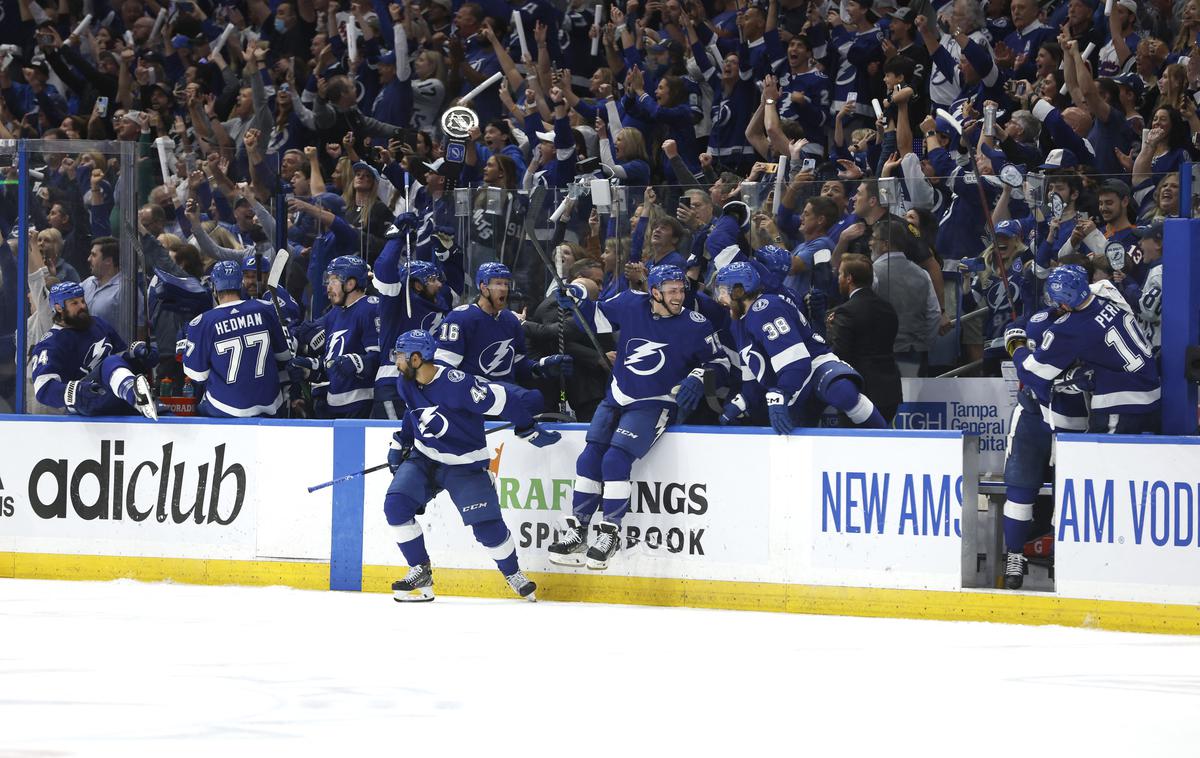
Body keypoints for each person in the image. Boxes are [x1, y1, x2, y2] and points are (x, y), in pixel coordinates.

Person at [547, 264, 730, 570]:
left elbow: (722, 363)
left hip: (655, 402)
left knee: (615, 461)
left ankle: (610, 533)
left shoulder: (696, 324)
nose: (678, 296)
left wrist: (699, 376)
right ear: (654, 292)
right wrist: (575, 298)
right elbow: (597, 315)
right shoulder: (632, 303)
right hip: (617, 396)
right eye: (671, 290)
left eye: (681, 289)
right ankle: (577, 531)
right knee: (589, 459)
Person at [385, 329, 562, 602]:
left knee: (488, 528)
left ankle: (513, 573)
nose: (396, 361)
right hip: (424, 459)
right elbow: (414, 413)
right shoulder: (404, 382)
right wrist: (401, 440)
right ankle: (420, 570)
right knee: (396, 506)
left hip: (464, 466)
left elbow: (506, 400)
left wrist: (527, 427)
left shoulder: (458, 386)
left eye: (400, 356)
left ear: (417, 358)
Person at [713, 262, 887, 432]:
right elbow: (752, 372)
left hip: (812, 366)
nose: (720, 299)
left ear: (738, 291)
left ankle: (887, 441)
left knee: (842, 391)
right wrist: (743, 400)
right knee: (791, 434)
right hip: (788, 383)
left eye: (722, 292)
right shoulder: (737, 323)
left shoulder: (765, 308)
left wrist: (781, 393)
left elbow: (797, 362)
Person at [1007, 263, 1161, 437]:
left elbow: (1030, 373)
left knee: (1102, 462)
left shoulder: (1069, 328)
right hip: (1152, 390)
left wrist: (1015, 344)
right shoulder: (1107, 295)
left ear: (1064, 302)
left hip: (1121, 403)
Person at [999, 301, 1090, 589]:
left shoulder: (1092, 322)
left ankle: (1063, 554)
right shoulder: (1039, 318)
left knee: (1069, 494)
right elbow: (1011, 333)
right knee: (1019, 489)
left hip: (1072, 419)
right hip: (1032, 414)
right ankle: (1015, 555)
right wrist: (1016, 346)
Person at [182, 261, 294, 418]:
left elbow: (198, 375)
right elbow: (285, 354)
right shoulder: (265, 308)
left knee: (199, 403)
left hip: (225, 409)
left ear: (214, 287)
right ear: (240, 283)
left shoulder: (202, 322)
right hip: (270, 405)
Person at [31, 282, 157, 419]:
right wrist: (77, 390)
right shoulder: (50, 343)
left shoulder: (98, 324)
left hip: (113, 394)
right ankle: (137, 398)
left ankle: (139, 400)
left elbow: (120, 358)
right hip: (85, 403)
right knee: (110, 362)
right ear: (58, 308)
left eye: (82, 301)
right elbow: (43, 388)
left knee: (162, 413)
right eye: (74, 303)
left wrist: (138, 354)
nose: (82, 306)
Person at [434, 262, 572, 387]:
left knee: (534, 400)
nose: (504, 289)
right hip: (472, 399)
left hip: (505, 396)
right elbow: (444, 369)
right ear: (483, 287)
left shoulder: (511, 321)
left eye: (506, 284)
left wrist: (541, 366)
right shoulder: (460, 318)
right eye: (498, 283)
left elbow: (518, 366)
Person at [292, 256, 381, 419]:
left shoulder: (369, 308)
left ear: (350, 284)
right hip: (331, 404)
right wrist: (309, 368)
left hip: (361, 403)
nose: (328, 287)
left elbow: (379, 358)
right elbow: (331, 364)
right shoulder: (334, 314)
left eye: (333, 280)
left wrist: (358, 363)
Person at [826, 255, 903, 424]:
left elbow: (840, 354)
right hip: (890, 392)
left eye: (840, 274)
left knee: (854, 447)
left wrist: (832, 331)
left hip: (861, 396)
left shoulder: (846, 312)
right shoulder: (887, 308)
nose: (838, 279)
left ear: (849, 279)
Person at [372, 257, 448, 420]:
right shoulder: (397, 304)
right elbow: (385, 266)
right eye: (432, 280)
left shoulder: (439, 304)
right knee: (392, 436)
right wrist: (396, 238)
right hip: (392, 383)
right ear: (418, 285)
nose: (439, 284)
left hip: (423, 384)